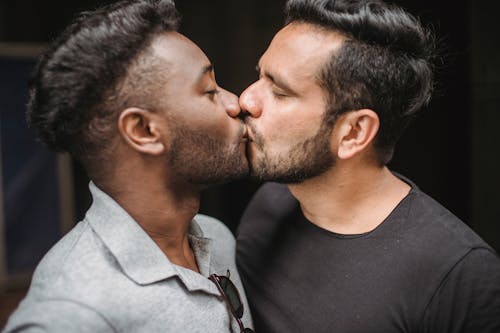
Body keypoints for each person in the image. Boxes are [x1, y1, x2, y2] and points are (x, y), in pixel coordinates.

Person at [236, 0, 500, 332]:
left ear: (354, 133)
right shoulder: (267, 206)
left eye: (280, 91)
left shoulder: (460, 276)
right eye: (259, 76)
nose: (246, 99)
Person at [3, 1, 254, 332]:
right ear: (144, 131)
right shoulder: (72, 310)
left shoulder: (216, 238)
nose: (236, 103)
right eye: (209, 90)